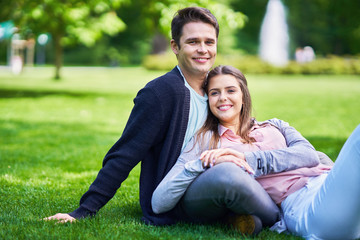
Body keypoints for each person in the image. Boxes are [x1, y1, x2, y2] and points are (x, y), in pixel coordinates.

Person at [44, 6, 218, 225]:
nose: (203, 49)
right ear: (175, 46)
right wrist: (84, 210)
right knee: (230, 179)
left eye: (209, 42)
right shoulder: (160, 93)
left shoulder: (220, 88)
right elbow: (125, 153)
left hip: (217, 176)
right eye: (193, 42)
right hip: (180, 194)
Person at [152, 65, 360, 239]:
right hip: (301, 204)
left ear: (244, 95)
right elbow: (159, 203)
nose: (223, 98)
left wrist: (246, 159)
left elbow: (309, 155)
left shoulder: (275, 125)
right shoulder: (207, 140)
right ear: (208, 99)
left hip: (325, 181)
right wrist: (199, 164)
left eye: (231, 90)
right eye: (215, 93)